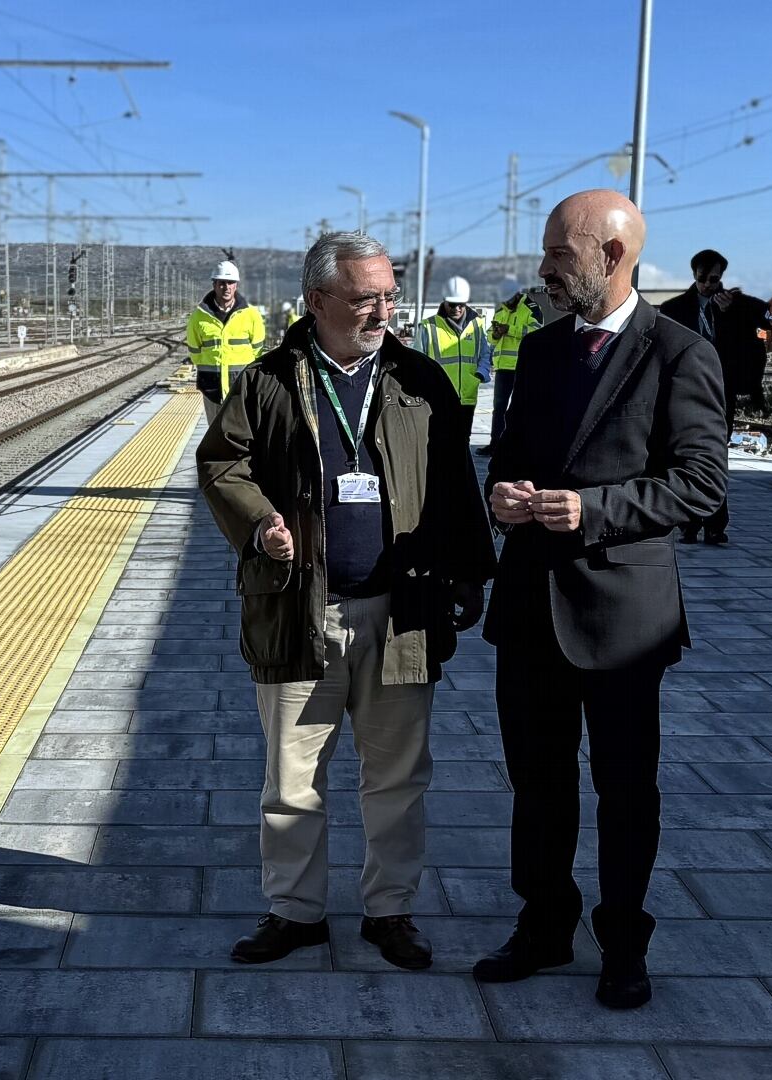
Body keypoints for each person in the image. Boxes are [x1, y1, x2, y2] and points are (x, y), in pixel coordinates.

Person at [198, 231, 495, 969]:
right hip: (300, 609)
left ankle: (390, 911)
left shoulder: (420, 379)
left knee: (397, 777)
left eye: (390, 295)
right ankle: (295, 913)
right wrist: (258, 521)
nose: (384, 310)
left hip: (402, 615)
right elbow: (222, 464)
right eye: (368, 297)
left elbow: (456, 483)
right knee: (292, 780)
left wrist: (468, 574)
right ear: (319, 300)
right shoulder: (269, 380)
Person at [479, 190, 727, 1009]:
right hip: (529, 607)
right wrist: (503, 496)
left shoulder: (679, 354)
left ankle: (624, 941)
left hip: (623, 619)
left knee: (625, 787)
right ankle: (544, 926)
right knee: (536, 782)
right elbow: (506, 453)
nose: (545, 269)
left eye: (559, 255)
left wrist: (593, 511)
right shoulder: (542, 350)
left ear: (612, 256)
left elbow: (699, 485)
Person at [657, 249, 772, 544]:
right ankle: (688, 521)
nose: (709, 286)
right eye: (703, 279)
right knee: (681, 455)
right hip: (682, 390)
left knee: (713, 456)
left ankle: (715, 524)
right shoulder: (674, 309)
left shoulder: (738, 306)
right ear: (694, 276)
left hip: (719, 392)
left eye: (714, 279)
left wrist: (732, 315)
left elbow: (764, 328)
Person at [185, 261, 269, 424]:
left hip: (241, 387)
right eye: (222, 283)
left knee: (241, 434)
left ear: (236, 285)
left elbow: (257, 350)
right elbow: (194, 351)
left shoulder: (251, 315)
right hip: (211, 387)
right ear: (214, 284)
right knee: (214, 436)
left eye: (230, 283)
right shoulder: (199, 316)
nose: (226, 287)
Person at [413, 276, 492, 441]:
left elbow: (485, 352)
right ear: (444, 302)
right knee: (439, 440)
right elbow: (418, 360)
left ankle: (462, 468)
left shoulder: (477, 324)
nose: (457, 308)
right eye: (452, 304)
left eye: (461, 304)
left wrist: (480, 374)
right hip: (439, 396)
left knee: (463, 440)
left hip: (467, 395)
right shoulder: (429, 326)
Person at [479, 285, 547, 456]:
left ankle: (520, 446)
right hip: (503, 367)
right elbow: (490, 337)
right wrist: (495, 334)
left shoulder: (530, 308)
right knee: (499, 407)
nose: (506, 302)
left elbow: (537, 331)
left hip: (522, 366)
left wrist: (510, 330)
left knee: (521, 407)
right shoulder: (501, 311)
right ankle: (496, 443)